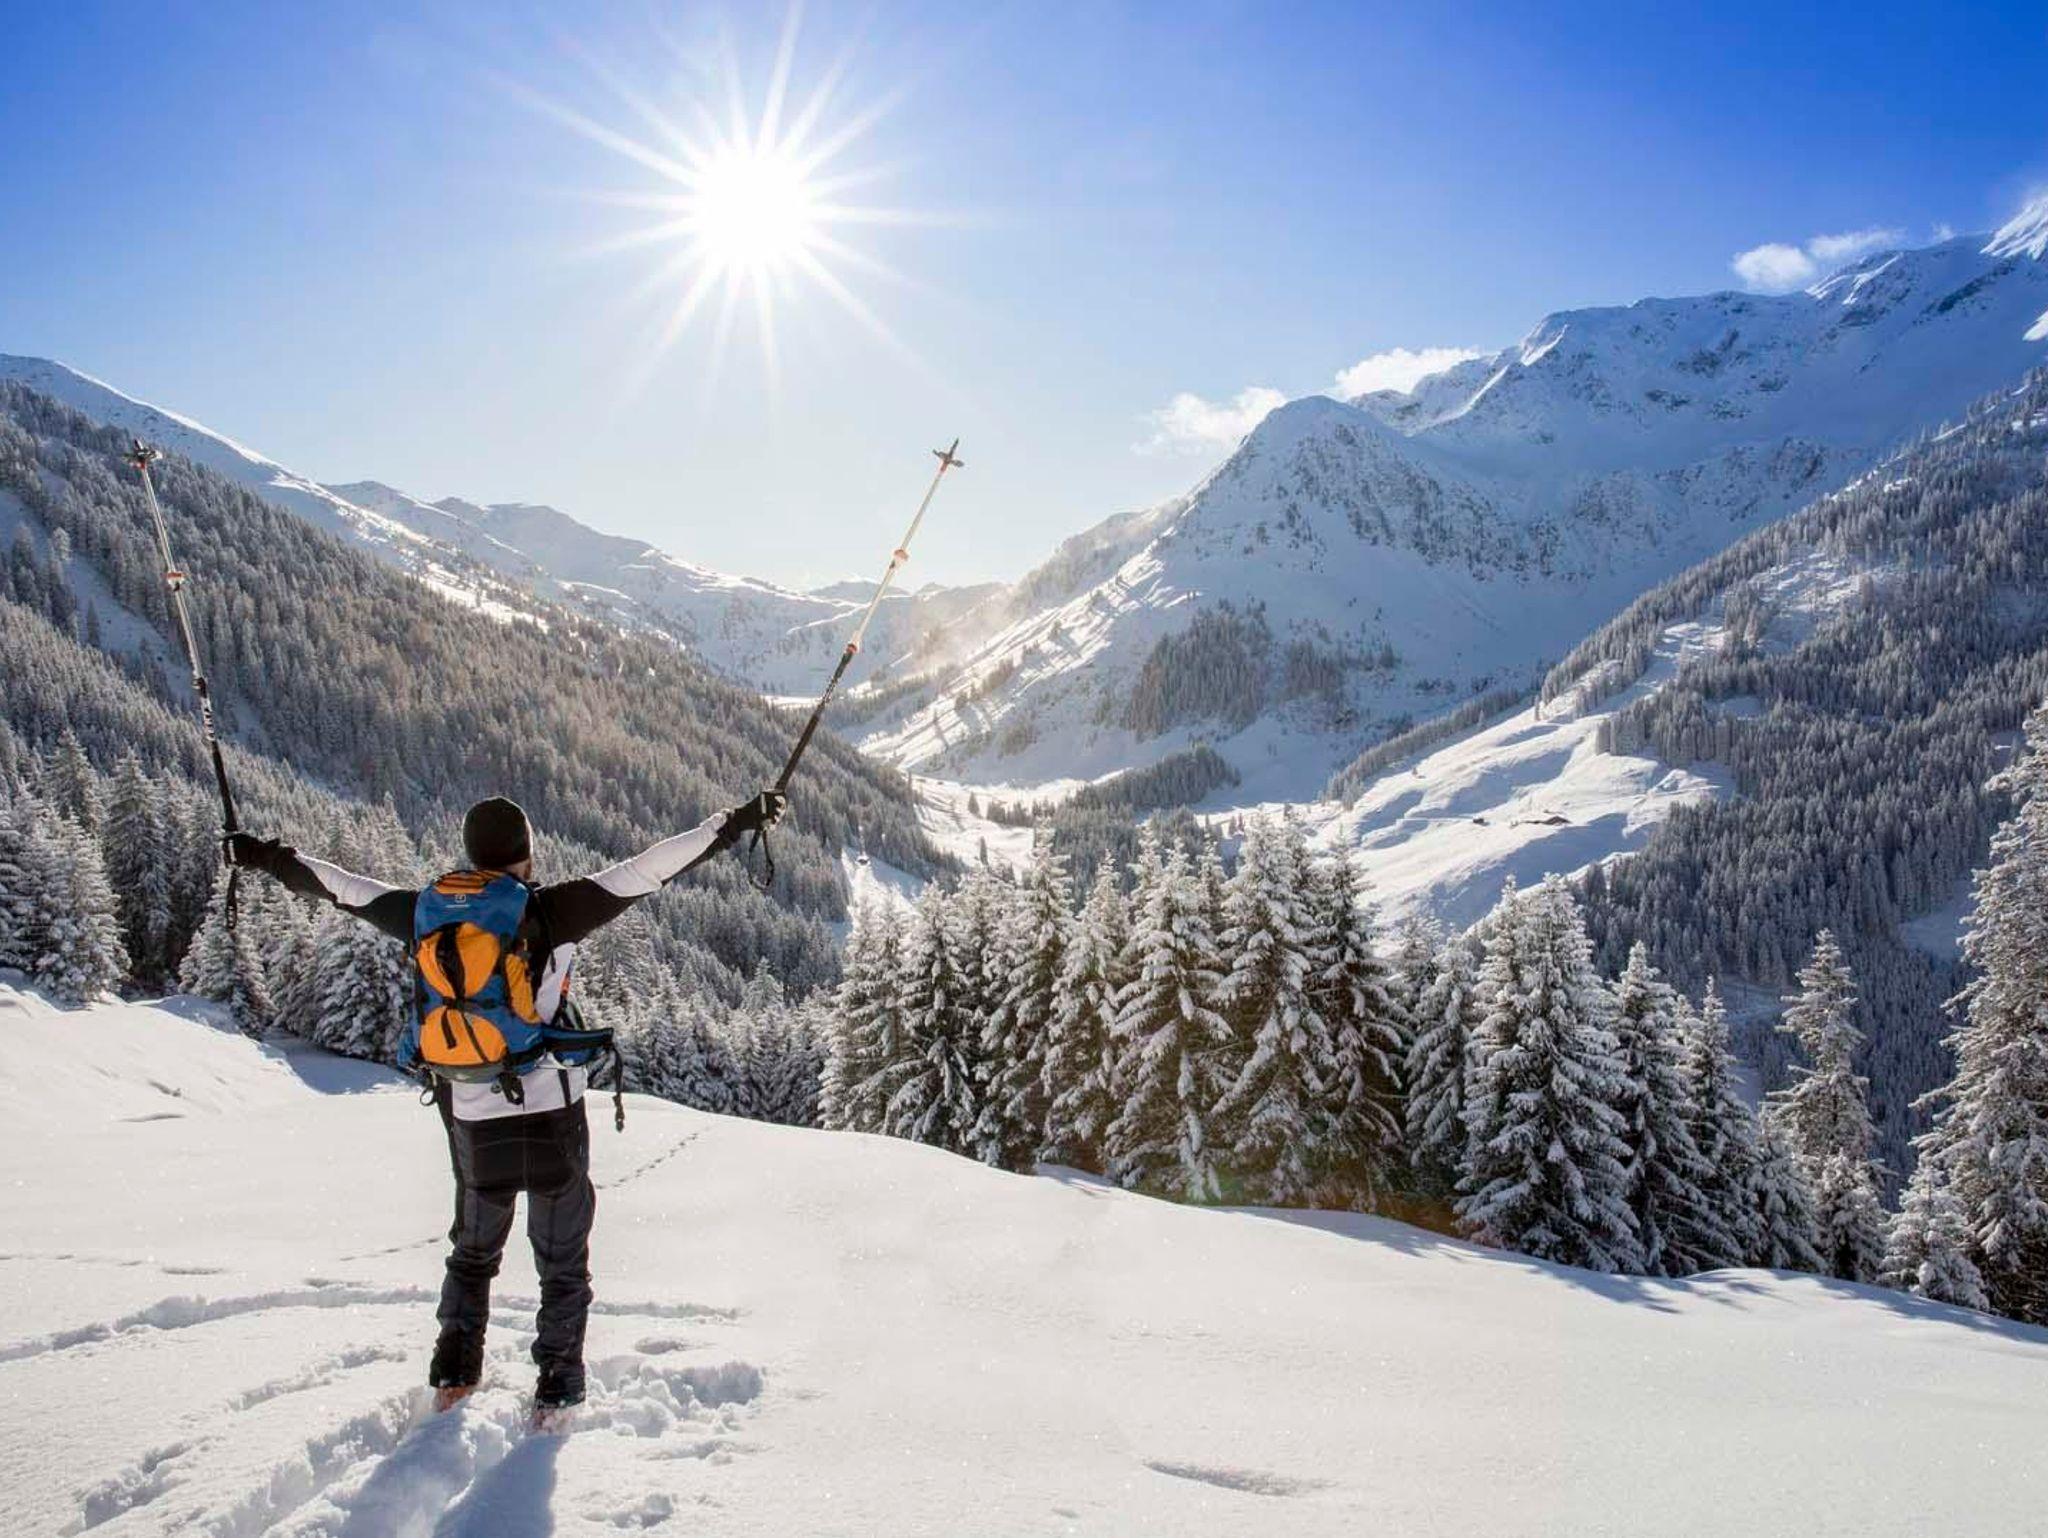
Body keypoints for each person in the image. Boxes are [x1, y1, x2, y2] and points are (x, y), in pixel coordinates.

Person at [226, 788, 786, 1417]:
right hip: (552, 1117)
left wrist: (260, 855)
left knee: (471, 1257)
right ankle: (556, 1393)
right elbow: (650, 868)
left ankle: (454, 1379)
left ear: (472, 855)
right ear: (527, 854)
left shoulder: (423, 912)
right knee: (563, 1265)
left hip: (473, 1119)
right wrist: (737, 821)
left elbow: (339, 886)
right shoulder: (552, 911)